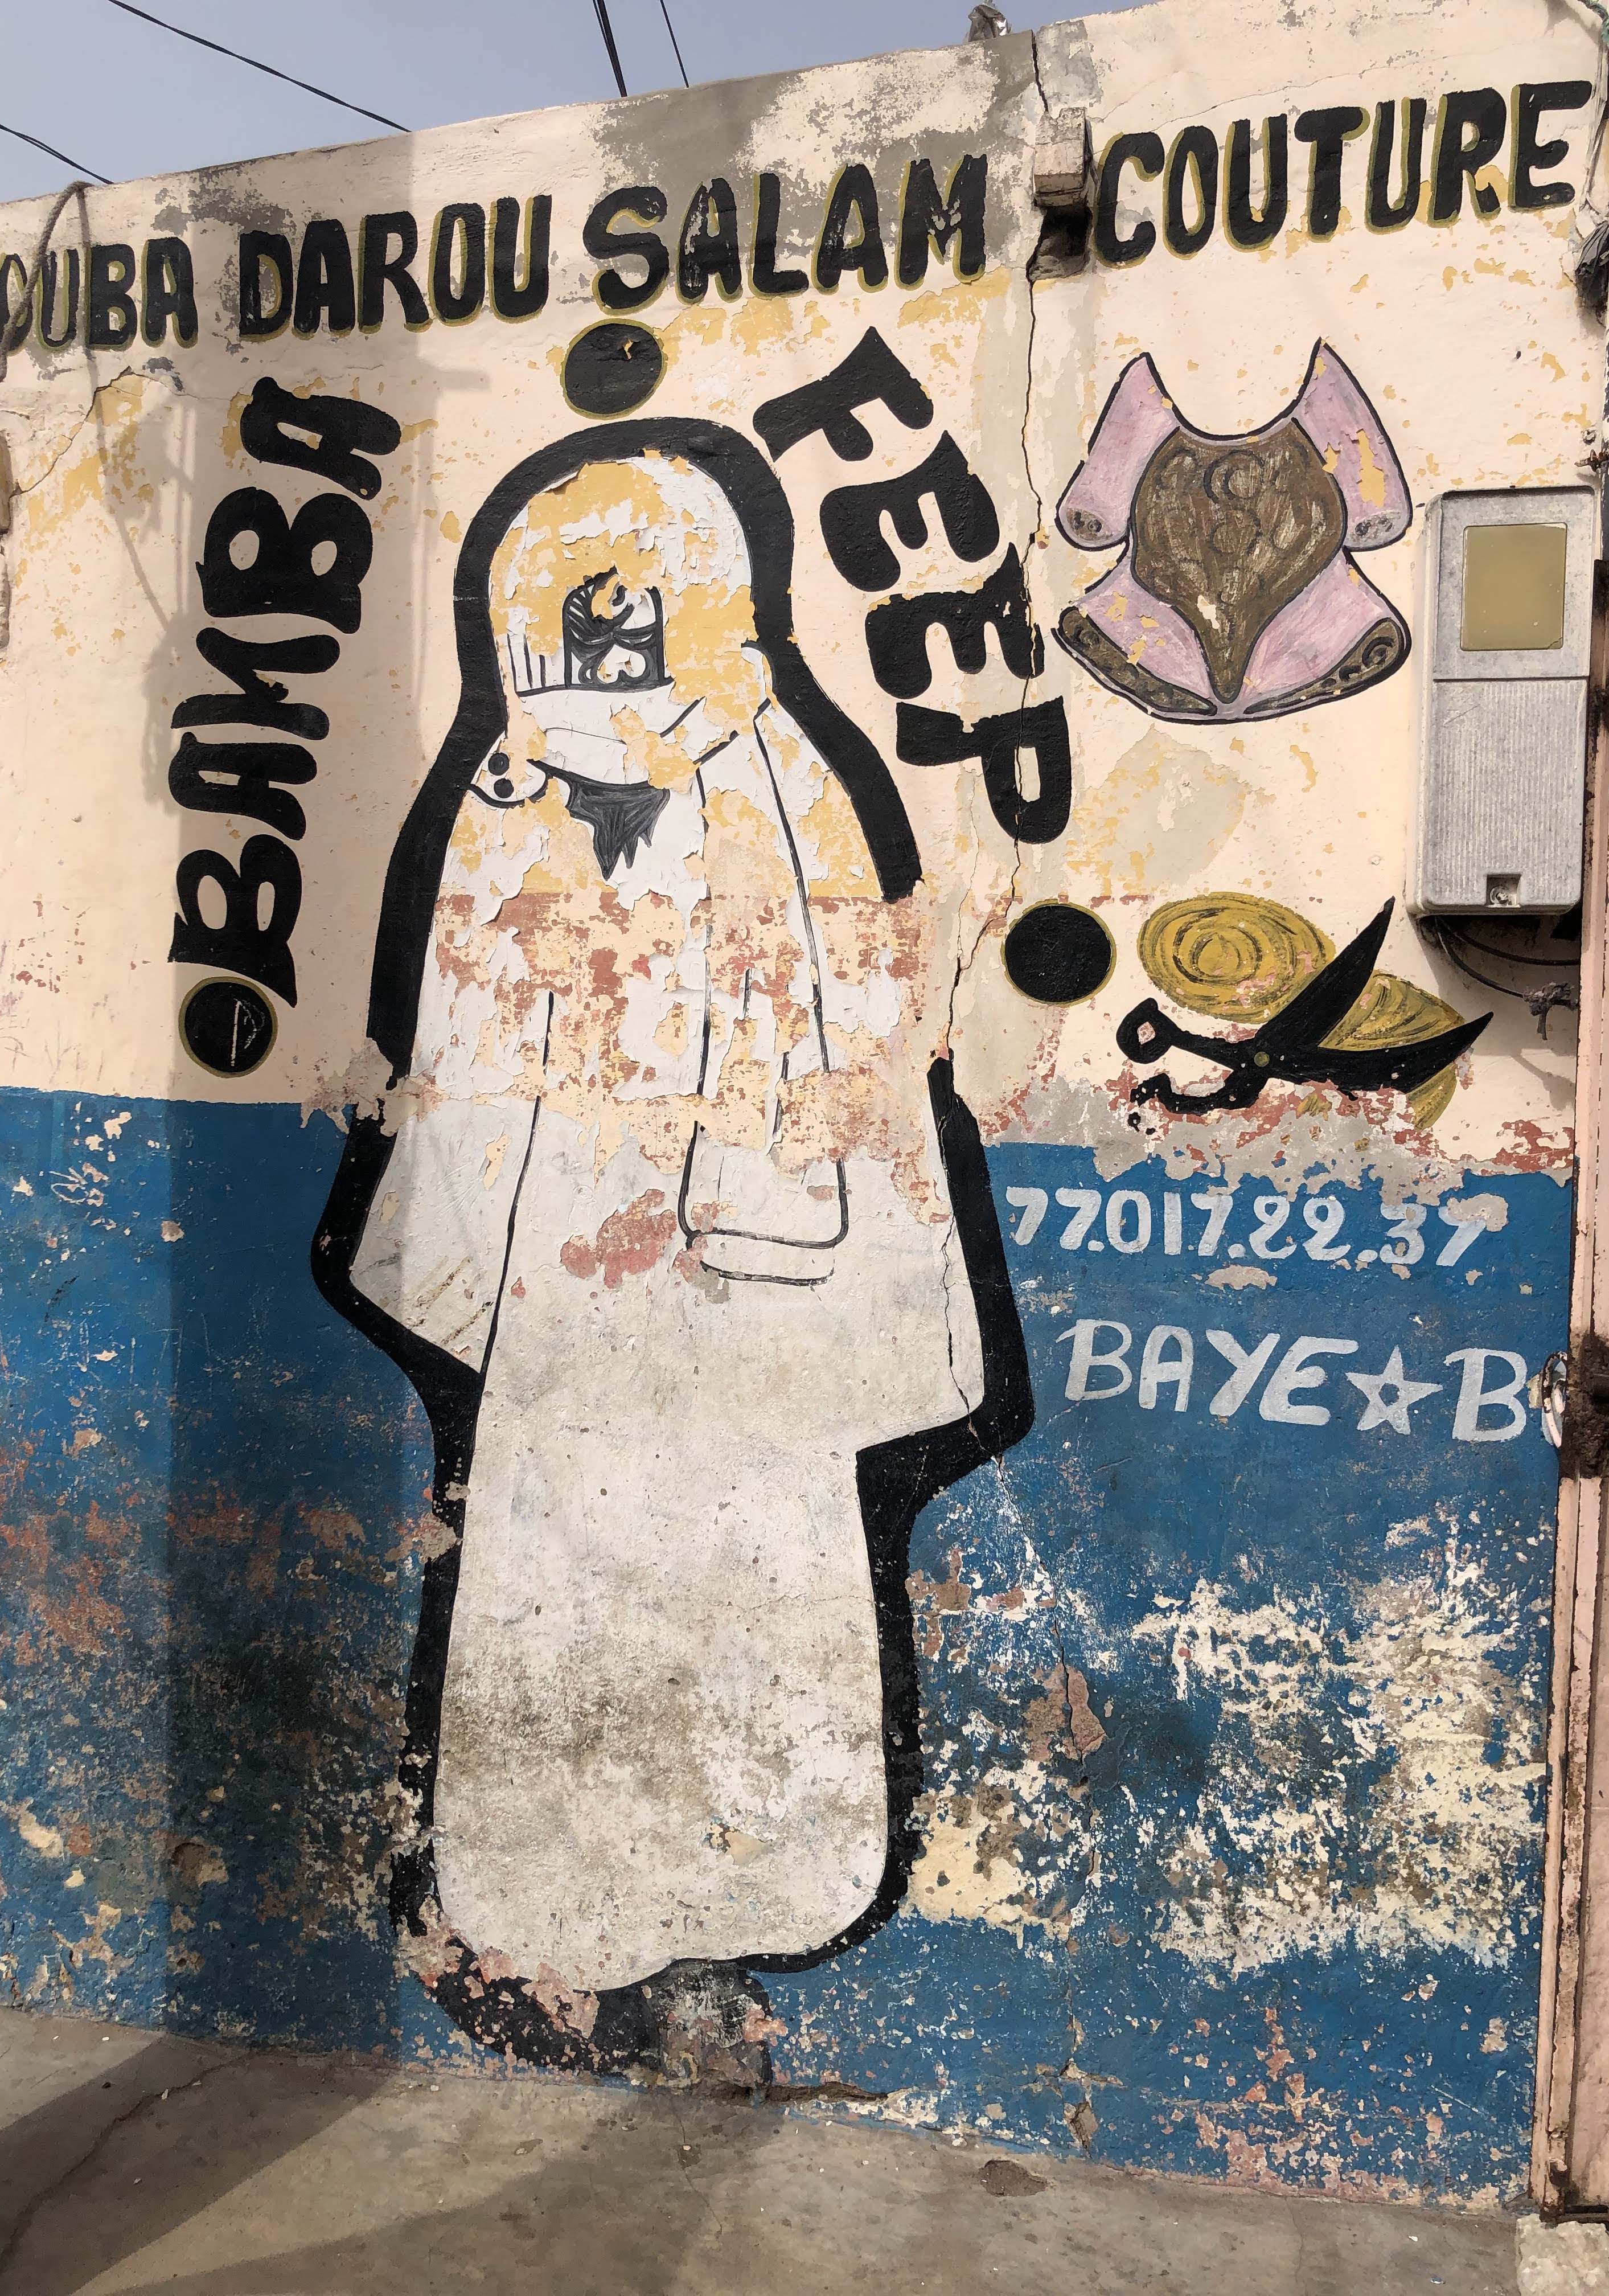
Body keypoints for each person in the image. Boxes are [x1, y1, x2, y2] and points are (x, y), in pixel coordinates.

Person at [315, 421, 1027, 2074]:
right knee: (545, 1590)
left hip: (757, 1326)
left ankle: (752, 1911)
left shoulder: (799, 801)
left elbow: (864, 1065)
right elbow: (458, 1048)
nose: (605, 661)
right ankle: (556, 1923)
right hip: (566, 1323)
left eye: (633, 617)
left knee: (767, 1610)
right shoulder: (505, 805)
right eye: (575, 621)